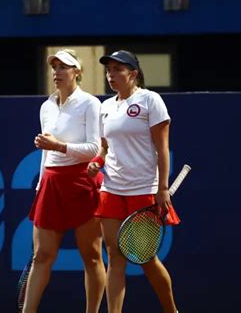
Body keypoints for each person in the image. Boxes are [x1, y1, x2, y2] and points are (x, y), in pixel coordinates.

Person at [88, 50, 181, 313]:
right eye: (109, 70)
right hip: (112, 189)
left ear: (133, 73)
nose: (111, 75)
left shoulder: (151, 100)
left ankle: (171, 311)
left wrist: (162, 188)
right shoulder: (105, 107)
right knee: (114, 257)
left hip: (143, 190)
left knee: (145, 259)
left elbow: (162, 148)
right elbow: (105, 148)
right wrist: (97, 163)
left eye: (118, 69)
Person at [23, 49, 106, 313]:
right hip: (51, 184)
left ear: (77, 72)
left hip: (82, 182)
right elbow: (46, 153)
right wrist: (40, 188)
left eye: (63, 67)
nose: (57, 72)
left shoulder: (91, 104)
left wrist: (59, 146)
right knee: (42, 256)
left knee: (92, 257)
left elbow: (94, 148)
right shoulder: (46, 106)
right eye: (54, 67)